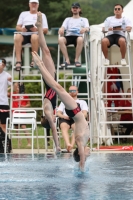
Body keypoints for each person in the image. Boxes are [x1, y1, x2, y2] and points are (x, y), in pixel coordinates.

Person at [32, 12, 90, 171]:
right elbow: (84, 156)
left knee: (55, 81)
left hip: (73, 111)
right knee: (54, 81)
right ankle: (40, 64)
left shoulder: (80, 141)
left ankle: (40, 64)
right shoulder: (83, 143)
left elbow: (82, 158)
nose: (88, 152)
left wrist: (81, 166)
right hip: (74, 111)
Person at [35, 12, 61, 153]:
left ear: (46, 118)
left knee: (46, 51)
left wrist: (57, 145)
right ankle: (39, 27)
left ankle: (39, 27)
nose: (54, 119)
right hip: (52, 81)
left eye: (51, 119)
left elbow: (53, 128)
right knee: (46, 52)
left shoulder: (47, 111)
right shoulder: (51, 110)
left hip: (50, 81)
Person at [14, 0, 48, 71]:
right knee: (17, 36)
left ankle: (34, 59)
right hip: (24, 34)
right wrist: (22, 29)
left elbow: (45, 30)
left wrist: (36, 29)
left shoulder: (41, 15)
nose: (34, 5)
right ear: (29, 4)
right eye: (32, 3)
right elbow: (17, 27)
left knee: (34, 36)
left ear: (38, 5)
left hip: (35, 35)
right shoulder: (23, 14)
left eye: (35, 4)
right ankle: (18, 61)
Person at [57, 85, 88, 152]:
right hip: (65, 118)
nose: (72, 92)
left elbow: (85, 113)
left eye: (74, 90)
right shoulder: (64, 102)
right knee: (63, 126)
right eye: (70, 91)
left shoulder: (82, 102)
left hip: (76, 118)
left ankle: (71, 145)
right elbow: (58, 113)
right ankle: (68, 144)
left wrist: (80, 118)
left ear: (77, 92)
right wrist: (64, 116)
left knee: (76, 127)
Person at [58, 2, 89, 68]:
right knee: (60, 39)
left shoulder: (84, 19)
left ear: (79, 9)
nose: (75, 9)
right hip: (69, 36)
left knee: (80, 39)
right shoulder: (67, 19)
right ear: (71, 9)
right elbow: (63, 27)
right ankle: (67, 60)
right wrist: (61, 29)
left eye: (76, 8)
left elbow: (88, 28)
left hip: (78, 36)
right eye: (73, 8)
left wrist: (85, 29)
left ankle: (76, 60)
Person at [0, 58, 11, 133]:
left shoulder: (7, 75)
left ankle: (6, 141)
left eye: (2, 64)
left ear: (4, 66)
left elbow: (14, 86)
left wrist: (11, 80)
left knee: (4, 124)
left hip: (3, 102)